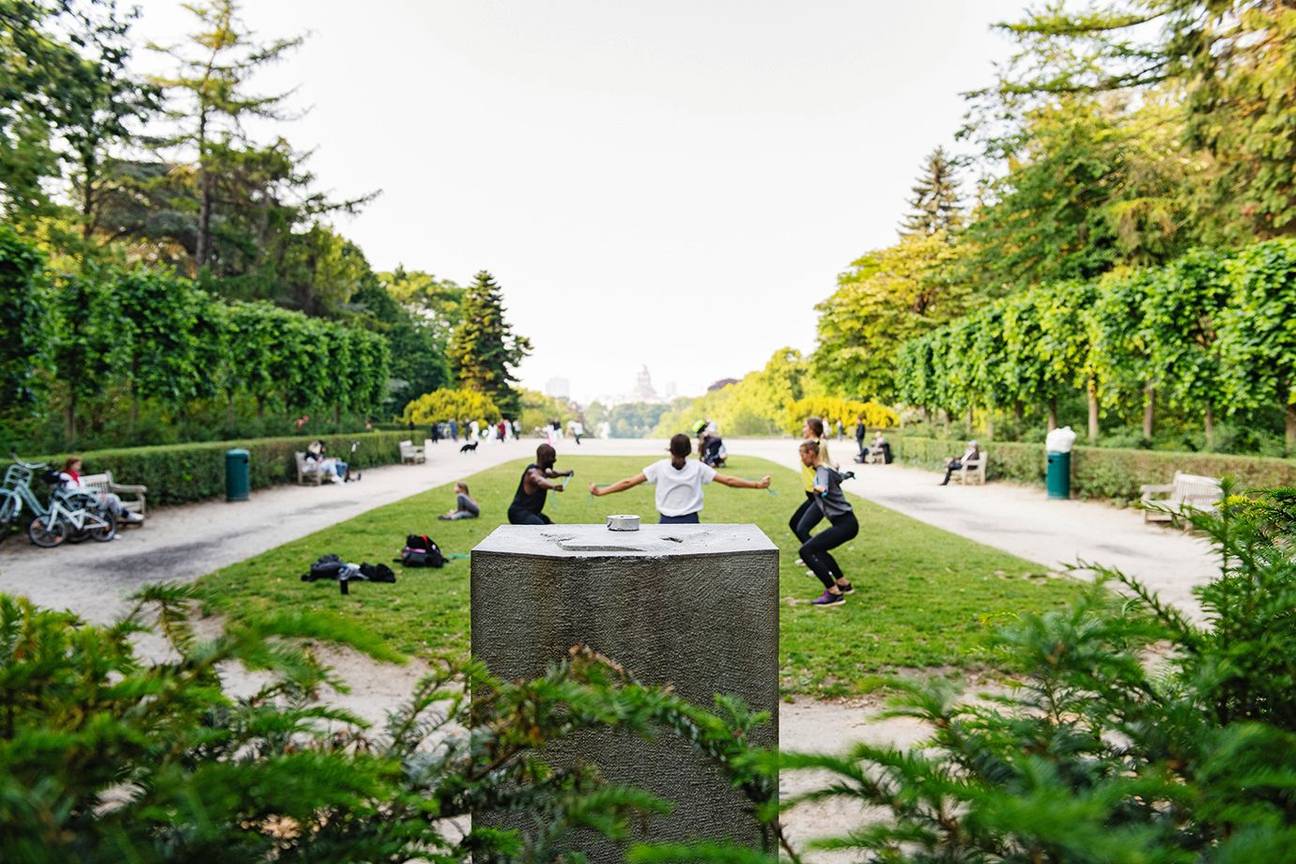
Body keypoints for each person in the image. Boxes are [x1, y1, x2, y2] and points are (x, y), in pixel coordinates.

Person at [589, 433, 770, 524]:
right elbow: (729, 481)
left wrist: (601, 491)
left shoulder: (659, 467)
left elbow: (629, 482)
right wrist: (758, 485)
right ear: (689, 451)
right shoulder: (698, 467)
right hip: (691, 521)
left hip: (666, 522)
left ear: (671, 450)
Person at [797, 440, 857, 607]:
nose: (801, 459)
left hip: (845, 523)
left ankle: (833, 593)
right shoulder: (824, 469)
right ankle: (843, 584)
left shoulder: (822, 471)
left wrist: (820, 489)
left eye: (802, 454)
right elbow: (838, 478)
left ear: (811, 453)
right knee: (818, 548)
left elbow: (823, 485)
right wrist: (846, 475)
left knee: (806, 551)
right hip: (847, 523)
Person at [788, 417, 834, 547]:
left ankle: (813, 555)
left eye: (805, 426)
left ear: (812, 429)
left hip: (818, 494)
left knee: (801, 528)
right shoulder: (808, 445)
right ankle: (810, 552)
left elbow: (826, 465)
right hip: (810, 494)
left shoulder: (818, 445)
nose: (803, 429)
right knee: (795, 524)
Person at [57, 457, 143, 524]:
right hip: (81, 500)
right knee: (111, 499)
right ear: (71, 465)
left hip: (86, 497)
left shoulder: (76, 476)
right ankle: (125, 516)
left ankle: (109, 522)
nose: (79, 467)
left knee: (110, 499)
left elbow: (82, 488)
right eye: (77, 464)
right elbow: (74, 490)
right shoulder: (66, 476)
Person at [507, 443, 573, 525]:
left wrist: (566, 473)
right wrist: (553, 486)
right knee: (540, 528)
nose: (553, 462)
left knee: (551, 526)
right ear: (545, 459)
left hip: (532, 512)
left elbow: (552, 474)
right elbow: (539, 481)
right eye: (552, 460)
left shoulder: (543, 470)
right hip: (519, 513)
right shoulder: (532, 473)